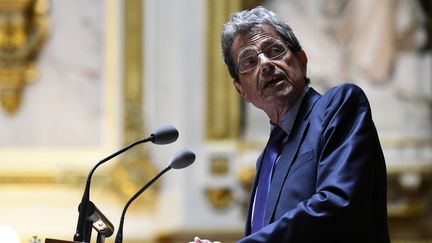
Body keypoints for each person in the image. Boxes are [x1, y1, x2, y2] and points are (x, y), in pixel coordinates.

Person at [193, 6, 390, 243]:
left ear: (301, 60)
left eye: (274, 51)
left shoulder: (338, 106)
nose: (265, 64)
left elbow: (339, 204)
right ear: (240, 89)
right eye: (249, 61)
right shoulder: (266, 158)